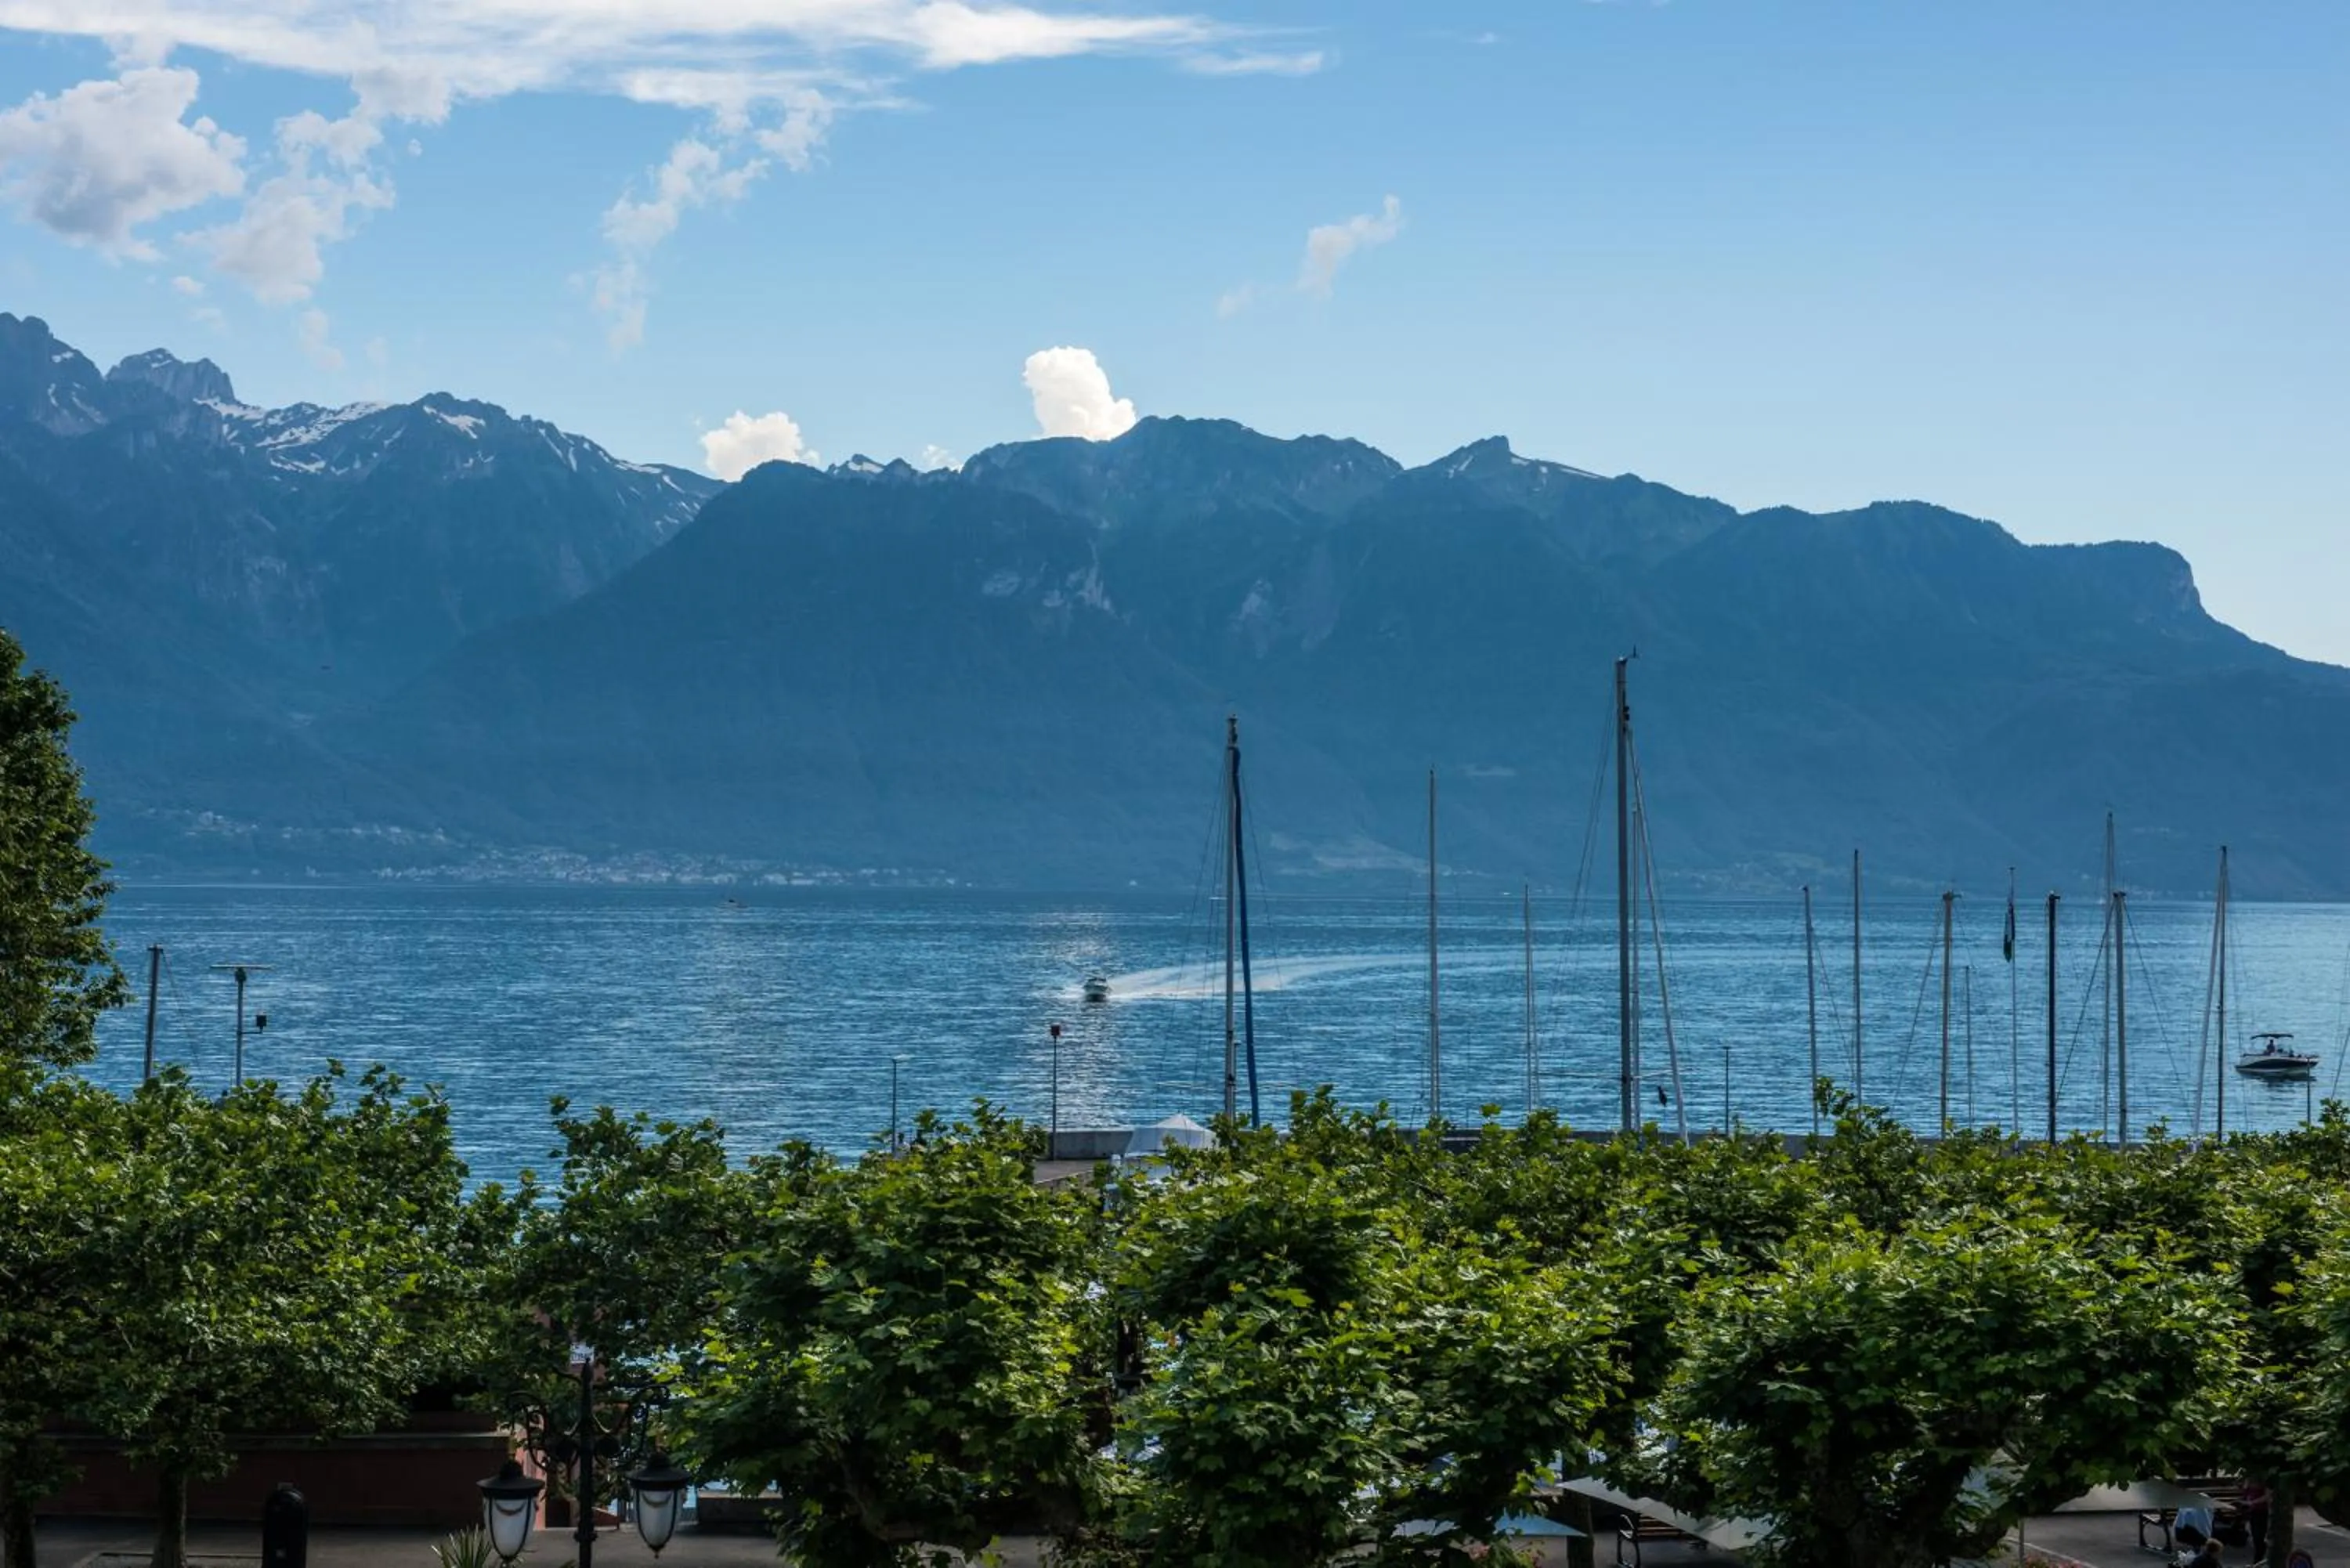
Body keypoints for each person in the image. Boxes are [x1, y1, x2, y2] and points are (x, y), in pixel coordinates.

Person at [2243, 1479, 2272, 1563]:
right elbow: (2245, 1494)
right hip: (2252, 1512)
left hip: (2261, 1512)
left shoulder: (2264, 1481)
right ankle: (2259, 1557)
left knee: (2259, 1536)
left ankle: (2259, 1558)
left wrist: (2253, 1502)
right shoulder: (2248, 1480)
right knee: (2255, 1536)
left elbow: (2267, 1496)